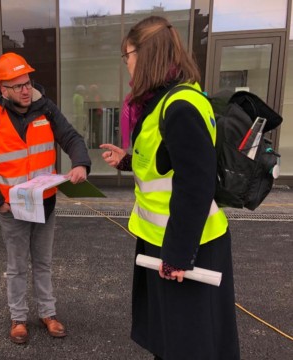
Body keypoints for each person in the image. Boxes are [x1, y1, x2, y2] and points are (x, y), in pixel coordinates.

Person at [100, 16, 240, 360]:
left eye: (128, 55)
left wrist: (178, 254)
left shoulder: (179, 106)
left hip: (185, 245)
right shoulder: (166, 102)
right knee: (171, 338)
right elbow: (168, 163)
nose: (127, 64)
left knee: (187, 344)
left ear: (146, 55)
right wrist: (128, 161)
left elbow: (195, 183)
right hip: (169, 241)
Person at [0, 52, 91, 344]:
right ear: (3, 89)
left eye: (27, 82)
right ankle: (18, 318)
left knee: (44, 262)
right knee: (16, 266)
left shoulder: (46, 109)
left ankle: (47, 313)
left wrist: (80, 163)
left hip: (45, 202)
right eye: (18, 85)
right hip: (11, 207)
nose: (26, 89)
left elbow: (71, 138)